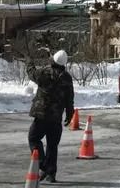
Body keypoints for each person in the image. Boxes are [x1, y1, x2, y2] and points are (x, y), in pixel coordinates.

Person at [27, 49, 74, 184]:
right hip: (56, 117)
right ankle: (51, 174)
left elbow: (32, 74)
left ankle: (43, 165)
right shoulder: (67, 78)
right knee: (53, 145)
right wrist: (70, 113)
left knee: (34, 138)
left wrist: (29, 61)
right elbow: (69, 98)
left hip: (42, 115)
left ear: (53, 60)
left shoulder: (45, 72)